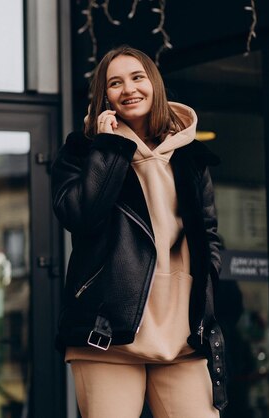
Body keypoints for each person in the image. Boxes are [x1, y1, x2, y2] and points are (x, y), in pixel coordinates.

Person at [51, 45, 228, 417]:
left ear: (154, 85)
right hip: (107, 332)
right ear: (104, 96)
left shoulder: (190, 156)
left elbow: (209, 235)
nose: (128, 89)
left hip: (182, 330)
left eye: (137, 78)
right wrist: (110, 149)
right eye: (115, 83)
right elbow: (80, 216)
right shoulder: (81, 152)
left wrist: (208, 290)